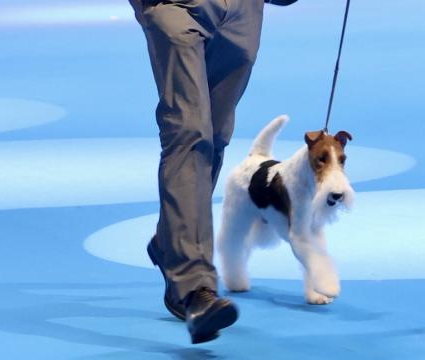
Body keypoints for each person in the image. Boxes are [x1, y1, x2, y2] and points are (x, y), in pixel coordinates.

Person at [128, 0, 298, 344]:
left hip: (240, 12)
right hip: (175, 7)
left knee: (215, 136)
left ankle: (170, 242)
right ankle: (194, 288)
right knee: (189, 133)